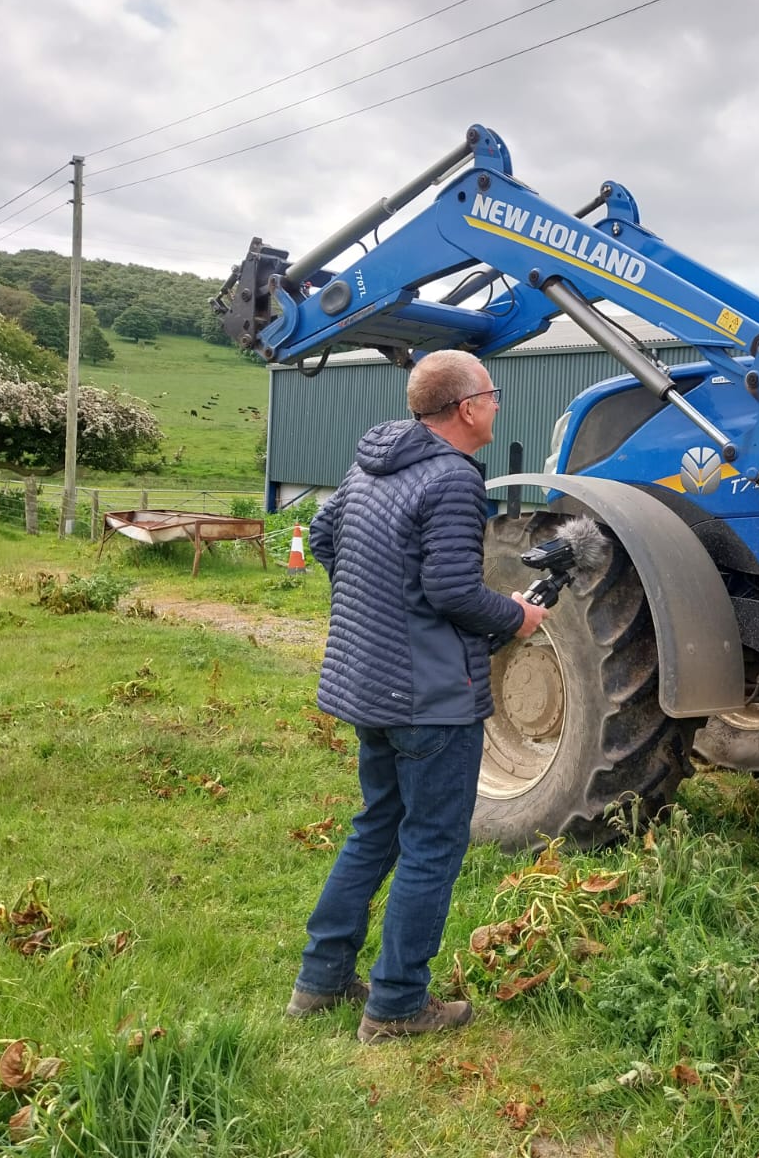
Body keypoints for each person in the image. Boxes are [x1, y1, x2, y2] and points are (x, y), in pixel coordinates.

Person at [285, 349, 547, 1043]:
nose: (497, 404)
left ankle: (321, 980)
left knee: (376, 827)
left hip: (367, 685)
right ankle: (398, 1003)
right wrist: (518, 617)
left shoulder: (370, 464)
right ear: (465, 408)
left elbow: (323, 537)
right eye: (491, 394)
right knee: (431, 844)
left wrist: (379, 612)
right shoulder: (455, 480)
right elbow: (453, 591)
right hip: (430, 697)